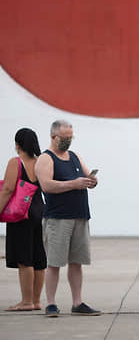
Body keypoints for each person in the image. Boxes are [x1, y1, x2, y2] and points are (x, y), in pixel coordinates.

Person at [35, 120, 101, 318]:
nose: (68, 141)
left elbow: (86, 176)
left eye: (70, 137)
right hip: (58, 219)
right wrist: (74, 184)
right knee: (54, 263)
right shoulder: (45, 159)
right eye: (64, 138)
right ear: (53, 136)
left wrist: (91, 181)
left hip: (79, 216)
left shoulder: (74, 156)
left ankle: (77, 302)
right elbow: (46, 186)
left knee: (76, 262)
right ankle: (51, 303)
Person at [0, 128, 46, 311]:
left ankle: (26, 301)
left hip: (20, 214)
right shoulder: (40, 162)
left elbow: (8, 190)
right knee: (38, 257)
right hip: (37, 211)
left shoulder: (16, 162)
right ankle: (36, 301)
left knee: (23, 258)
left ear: (17, 144)